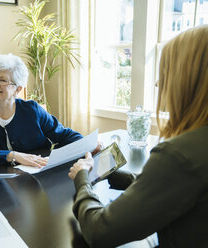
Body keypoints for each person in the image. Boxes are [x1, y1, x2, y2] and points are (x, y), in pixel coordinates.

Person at [68, 25, 208, 248]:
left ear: (188, 81)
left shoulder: (178, 155)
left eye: (165, 74)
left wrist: (82, 180)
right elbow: (174, 190)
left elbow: (99, 231)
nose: (158, 83)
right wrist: (113, 175)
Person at [0, 53, 84, 168]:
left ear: (18, 89)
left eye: (2, 80)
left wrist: (87, 146)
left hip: (40, 174)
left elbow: (64, 135)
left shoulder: (32, 110)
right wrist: (12, 156)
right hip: (0, 181)